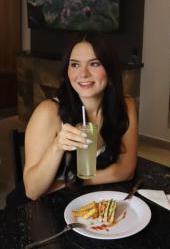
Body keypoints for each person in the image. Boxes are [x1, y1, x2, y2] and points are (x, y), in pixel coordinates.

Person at [23, 32, 138, 201]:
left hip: (85, 200)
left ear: (110, 69)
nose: (83, 74)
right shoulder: (48, 113)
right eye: (75, 65)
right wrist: (57, 146)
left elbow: (127, 170)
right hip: (40, 209)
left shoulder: (126, 106)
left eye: (94, 64)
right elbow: (32, 191)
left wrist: (71, 183)